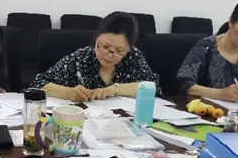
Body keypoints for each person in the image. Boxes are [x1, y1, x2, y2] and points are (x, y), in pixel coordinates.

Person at [30, 12, 161, 101]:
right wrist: (69, 93)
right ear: (97, 39)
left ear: (129, 48)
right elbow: (38, 84)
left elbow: (153, 87)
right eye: (105, 46)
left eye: (119, 51)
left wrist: (115, 89)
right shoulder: (82, 58)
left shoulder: (134, 57)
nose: (109, 55)